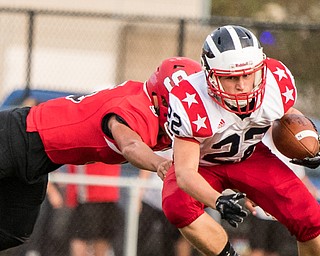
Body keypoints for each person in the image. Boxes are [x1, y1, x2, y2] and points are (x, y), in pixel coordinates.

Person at [0, 57, 202, 250]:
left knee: (12, 231)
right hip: (16, 134)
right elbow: (130, 145)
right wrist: (159, 163)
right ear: (163, 98)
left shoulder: (158, 114)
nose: (191, 112)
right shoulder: (134, 107)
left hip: (38, 160)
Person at [161, 25, 320, 256]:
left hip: (249, 156)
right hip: (203, 165)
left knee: (311, 218)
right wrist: (219, 200)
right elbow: (185, 173)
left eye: (248, 74)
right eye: (231, 77)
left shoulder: (275, 81)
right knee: (177, 204)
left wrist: (307, 140)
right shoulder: (191, 99)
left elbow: (286, 113)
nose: (242, 85)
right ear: (210, 75)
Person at [137, 150, 194, 256]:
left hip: (175, 201)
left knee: (177, 239)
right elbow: (145, 171)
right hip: (152, 200)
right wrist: (138, 197)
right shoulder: (161, 144)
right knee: (140, 238)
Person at [68, 163, 124, 256]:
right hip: (88, 198)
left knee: (102, 238)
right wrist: (72, 196)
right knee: (80, 238)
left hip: (109, 197)